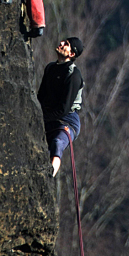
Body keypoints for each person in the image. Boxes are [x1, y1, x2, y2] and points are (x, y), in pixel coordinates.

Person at [37, 37, 85, 176]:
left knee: (57, 142)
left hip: (67, 120)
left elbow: (64, 108)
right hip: (49, 115)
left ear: (72, 54)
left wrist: (42, 118)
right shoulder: (51, 68)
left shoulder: (73, 75)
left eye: (66, 44)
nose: (61, 43)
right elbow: (41, 95)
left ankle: (49, 175)